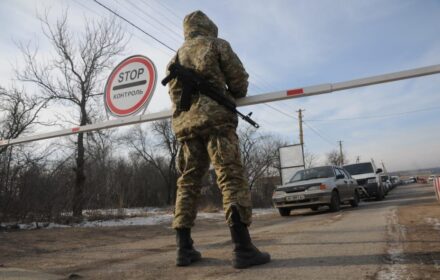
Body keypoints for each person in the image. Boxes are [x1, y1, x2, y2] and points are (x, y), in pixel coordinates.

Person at [164, 10, 270, 269]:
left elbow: (176, 98)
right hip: (217, 123)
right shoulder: (217, 45)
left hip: (186, 128)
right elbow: (239, 84)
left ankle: (184, 249)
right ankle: (243, 248)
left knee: (187, 182)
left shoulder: (174, 58)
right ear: (209, 27)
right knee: (230, 176)